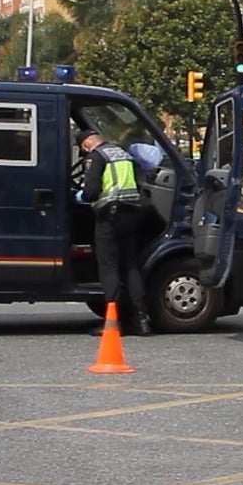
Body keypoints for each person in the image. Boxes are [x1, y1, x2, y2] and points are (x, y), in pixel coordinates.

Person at [76, 127, 152, 336]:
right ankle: (142, 320)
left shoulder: (96, 157)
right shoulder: (124, 154)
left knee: (108, 266)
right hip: (132, 214)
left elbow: (91, 192)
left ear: (87, 143)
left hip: (110, 216)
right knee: (130, 266)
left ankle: (113, 322)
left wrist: (82, 196)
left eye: (84, 148)